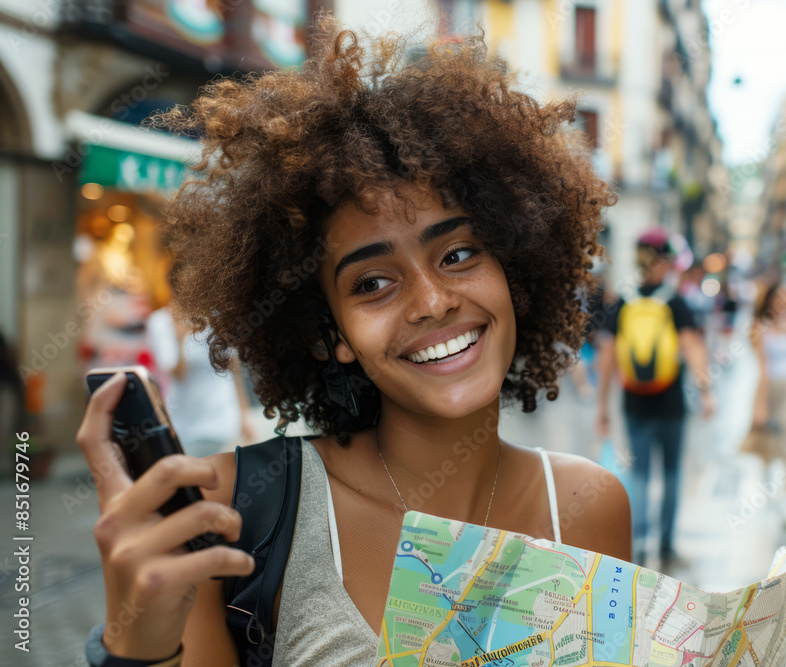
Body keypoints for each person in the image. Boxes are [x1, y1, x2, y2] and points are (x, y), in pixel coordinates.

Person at [74, 17, 630, 667]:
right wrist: (137, 641)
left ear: (513, 266)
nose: (432, 300)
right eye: (372, 282)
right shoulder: (227, 511)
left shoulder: (589, 507)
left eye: (457, 253)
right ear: (328, 333)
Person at [595, 229, 714, 568]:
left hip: (634, 403)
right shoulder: (675, 302)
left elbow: (608, 357)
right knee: (673, 473)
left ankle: (637, 547)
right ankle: (666, 548)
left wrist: (602, 406)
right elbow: (692, 348)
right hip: (672, 404)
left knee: (641, 475)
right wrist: (705, 392)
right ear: (664, 261)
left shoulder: (622, 302)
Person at [146, 303, 257, 457]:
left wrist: (245, 414)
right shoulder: (161, 321)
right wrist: (179, 340)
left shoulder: (217, 315)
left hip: (225, 423)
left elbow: (233, 368)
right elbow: (178, 374)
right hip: (188, 428)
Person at [741, 282, 786, 523]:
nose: (784, 304)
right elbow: (762, 368)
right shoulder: (760, 329)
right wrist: (760, 404)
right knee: (769, 443)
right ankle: (768, 487)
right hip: (771, 389)